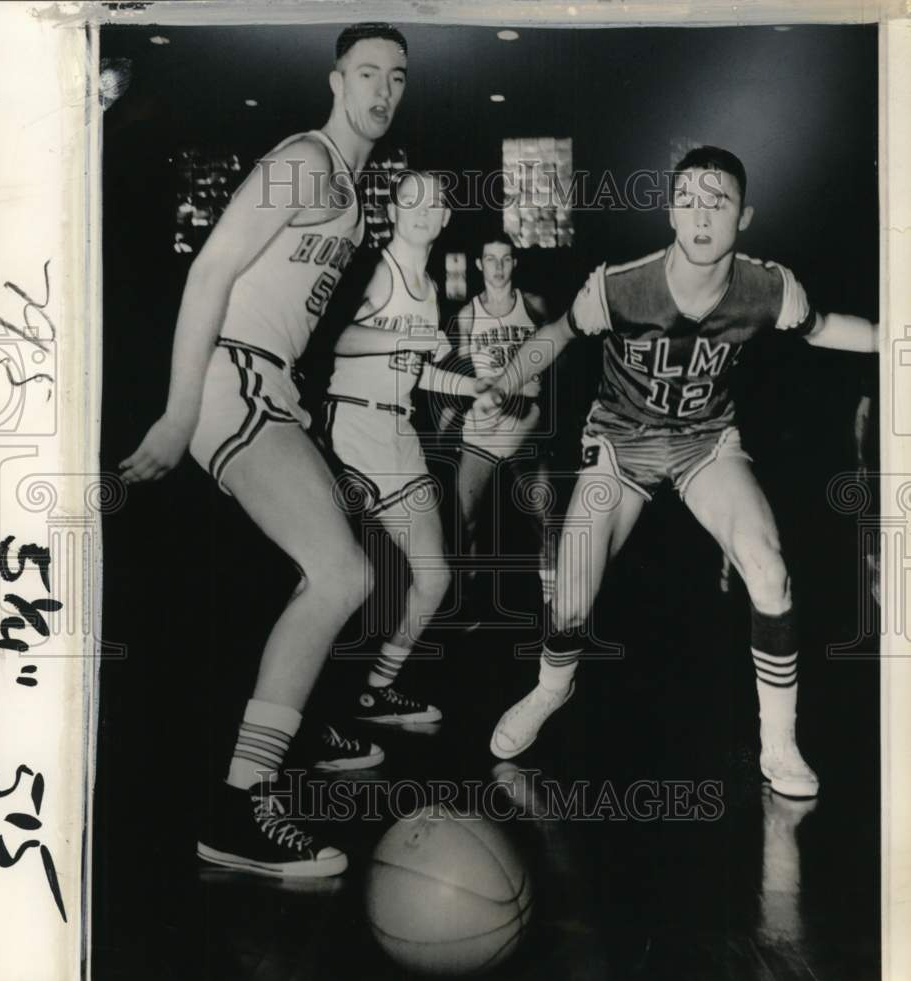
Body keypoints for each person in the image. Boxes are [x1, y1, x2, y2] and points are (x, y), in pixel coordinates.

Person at [481, 146, 877, 798]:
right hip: (619, 444)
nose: (700, 214)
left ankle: (779, 746)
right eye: (687, 199)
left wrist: (894, 335)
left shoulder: (768, 288)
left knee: (769, 568)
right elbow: (557, 332)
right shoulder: (621, 286)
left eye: (717, 201)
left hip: (704, 444)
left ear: (743, 216)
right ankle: (552, 688)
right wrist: (506, 380)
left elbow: (826, 327)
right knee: (572, 597)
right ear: (669, 210)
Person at [120, 23, 408, 877]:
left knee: (321, 559)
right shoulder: (308, 159)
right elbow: (210, 272)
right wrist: (177, 415)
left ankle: (296, 715)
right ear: (335, 80)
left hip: (266, 383)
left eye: (397, 76)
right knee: (344, 574)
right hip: (229, 380)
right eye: (367, 73)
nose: (383, 91)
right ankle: (240, 806)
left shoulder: (354, 189)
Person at [323, 170, 480, 724]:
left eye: (431, 203)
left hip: (400, 435)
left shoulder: (432, 289)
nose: (419, 210)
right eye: (409, 199)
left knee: (433, 578)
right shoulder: (371, 268)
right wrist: (408, 338)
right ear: (393, 209)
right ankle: (320, 714)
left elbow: (415, 372)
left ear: (444, 218)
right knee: (340, 579)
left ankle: (377, 689)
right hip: (351, 430)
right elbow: (331, 336)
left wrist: (469, 386)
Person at [454, 232, 554, 607]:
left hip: (525, 421)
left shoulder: (534, 306)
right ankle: (467, 596)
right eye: (490, 259)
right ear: (479, 264)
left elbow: (558, 356)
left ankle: (553, 598)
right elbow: (462, 372)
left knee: (544, 514)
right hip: (482, 426)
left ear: (515, 263)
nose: (497, 268)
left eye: (505, 259)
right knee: (464, 517)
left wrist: (540, 407)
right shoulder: (467, 315)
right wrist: (473, 403)